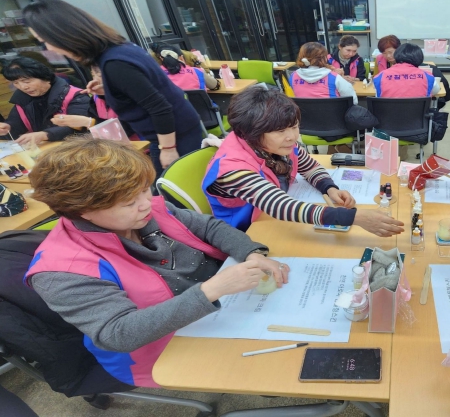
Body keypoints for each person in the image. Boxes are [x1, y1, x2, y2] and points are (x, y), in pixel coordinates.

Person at [24, 138, 289, 388]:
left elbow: (209, 227)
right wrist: (212, 289)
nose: (145, 204)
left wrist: (251, 253)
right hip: (159, 344)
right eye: (129, 202)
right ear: (83, 211)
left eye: (144, 191)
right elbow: (118, 333)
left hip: (217, 304)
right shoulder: (62, 272)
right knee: (276, 364)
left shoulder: (147, 211)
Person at [22, 0, 202, 174]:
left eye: (44, 40)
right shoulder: (118, 48)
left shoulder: (115, 63)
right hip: (172, 132)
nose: (48, 48)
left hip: (175, 135)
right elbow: (139, 91)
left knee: (173, 188)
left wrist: (168, 149)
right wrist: (107, 89)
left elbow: (160, 107)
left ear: (62, 35)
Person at [203, 86, 404, 237]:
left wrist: (329, 188)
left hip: (272, 221)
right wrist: (355, 218)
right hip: (246, 233)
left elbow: (309, 167)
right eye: (280, 131)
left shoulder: (276, 145)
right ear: (250, 133)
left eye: (294, 127)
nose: (292, 137)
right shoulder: (232, 168)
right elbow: (279, 205)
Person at [0, 56, 92, 145]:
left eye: (27, 81)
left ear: (45, 78)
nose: (23, 87)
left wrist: (45, 135)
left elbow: (80, 126)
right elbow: (16, 124)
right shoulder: (22, 100)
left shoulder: (75, 96)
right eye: (16, 83)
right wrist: (8, 128)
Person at [289, 42, 358, 105]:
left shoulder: (293, 76)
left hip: (304, 114)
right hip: (333, 114)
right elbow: (353, 101)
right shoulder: (334, 77)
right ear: (325, 58)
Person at [373, 43, 441, 98]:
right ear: (419, 58)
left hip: (388, 111)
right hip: (417, 111)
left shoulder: (380, 77)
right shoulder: (428, 77)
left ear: (396, 56)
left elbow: (378, 96)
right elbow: (435, 91)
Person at [152, 43, 218, 91]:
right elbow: (215, 86)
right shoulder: (197, 71)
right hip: (199, 106)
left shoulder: (155, 75)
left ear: (161, 58)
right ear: (181, 57)